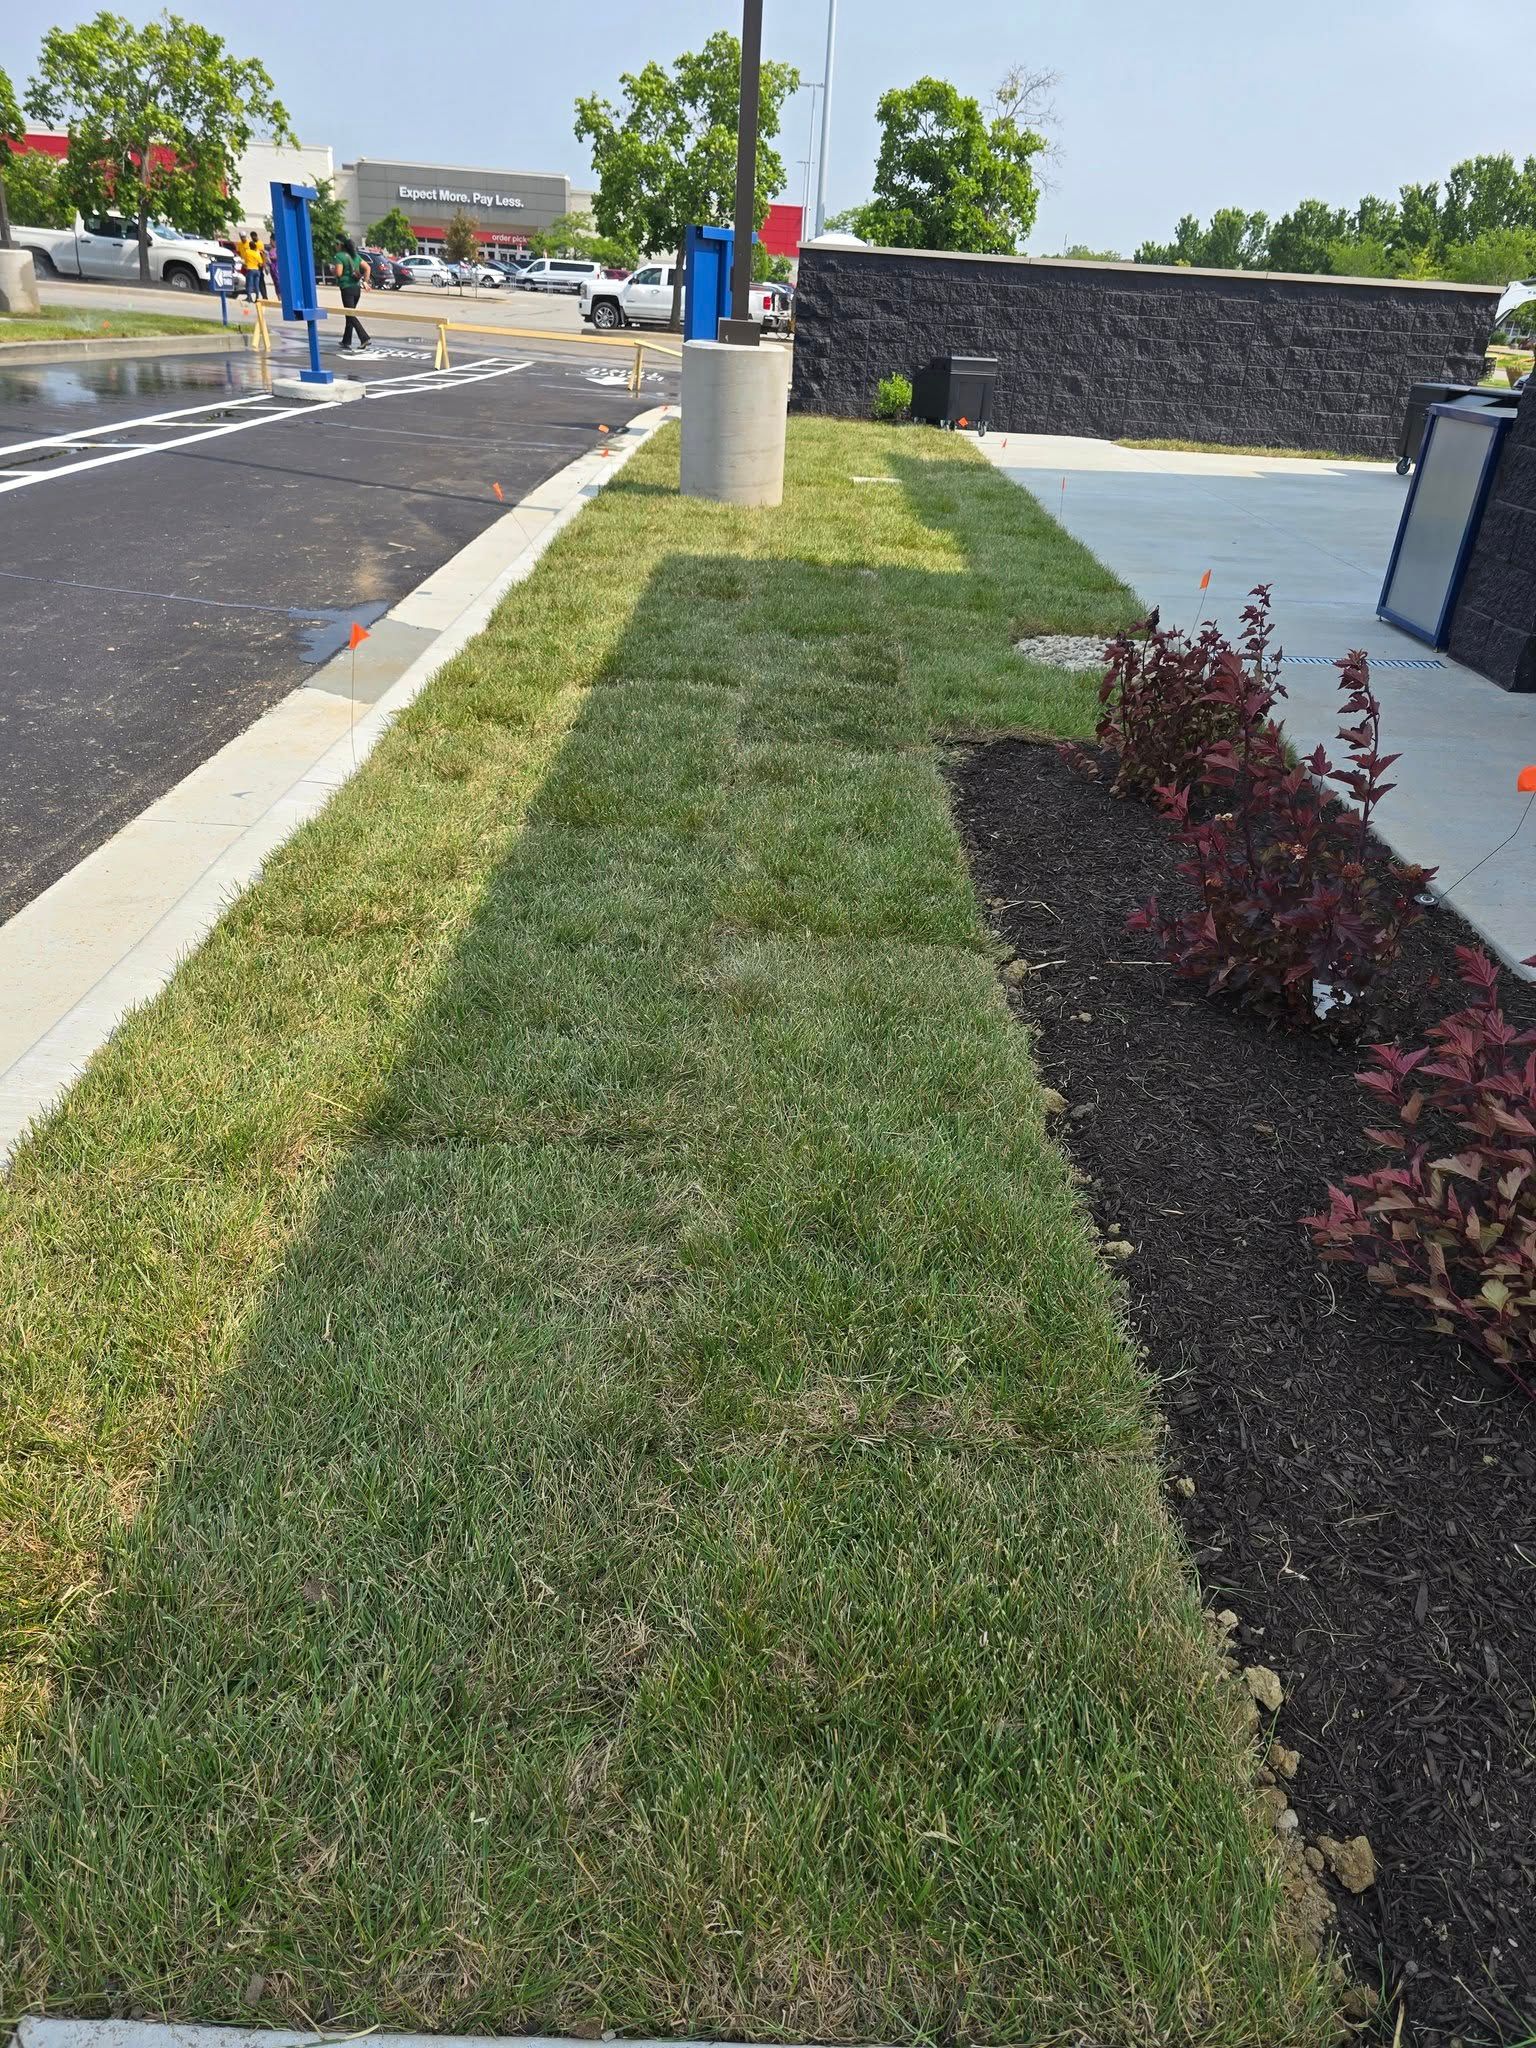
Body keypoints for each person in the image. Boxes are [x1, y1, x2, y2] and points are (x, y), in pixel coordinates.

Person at [332, 236, 374, 357]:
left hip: (347, 288)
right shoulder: (355, 256)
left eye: (336, 244)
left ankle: (364, 337)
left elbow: (339, 273)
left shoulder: (339, 256)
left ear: (340, 245)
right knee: (349, 314)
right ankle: (346, 340)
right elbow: (368, 268)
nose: (335, 246)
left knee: (350, 314)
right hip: (356, 289)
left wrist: (333, 270)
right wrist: (365, 282)